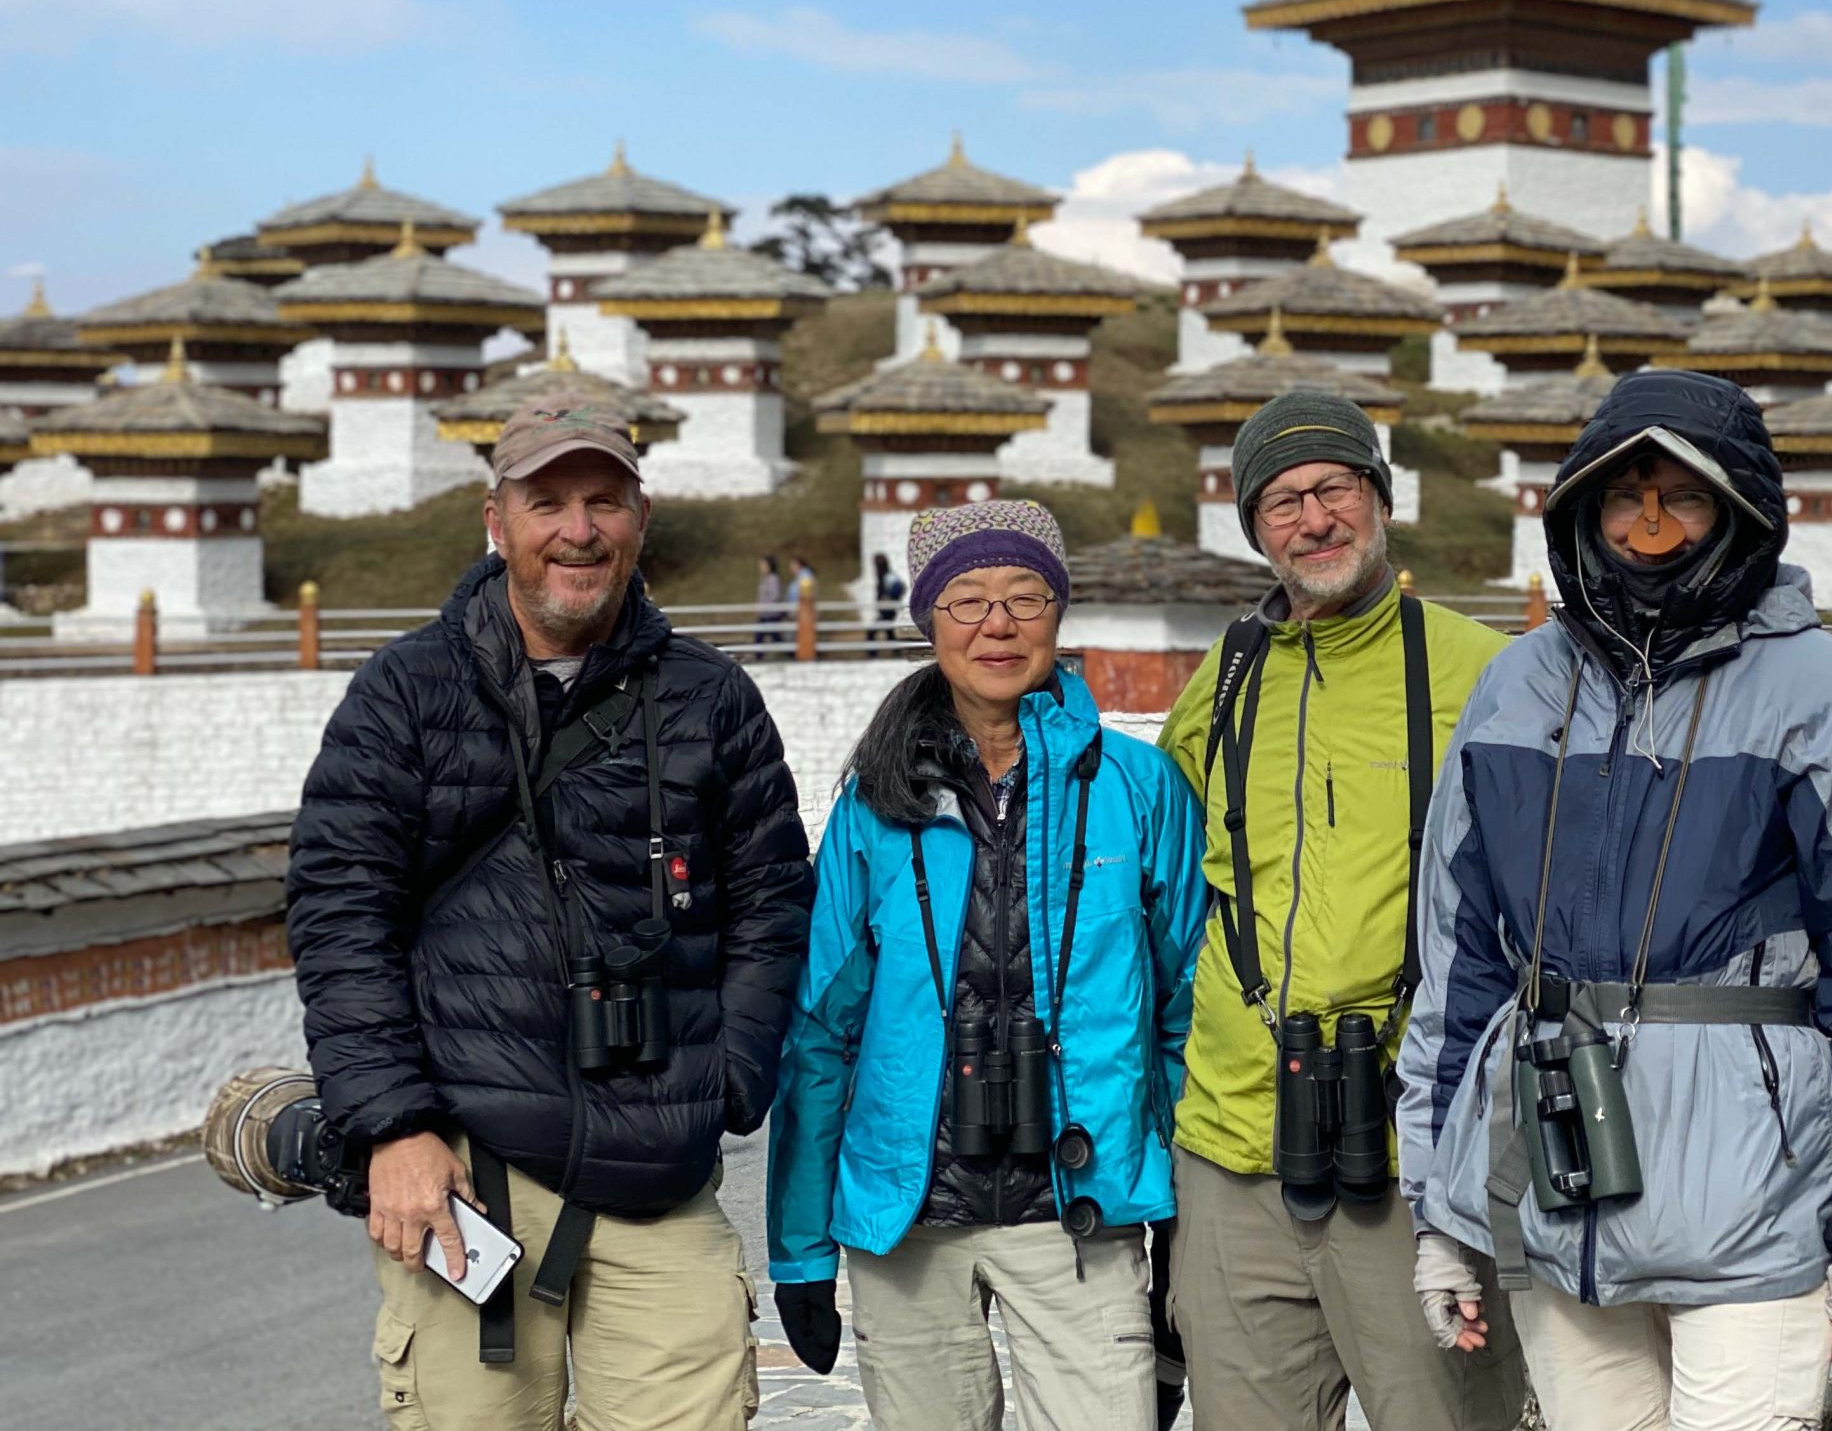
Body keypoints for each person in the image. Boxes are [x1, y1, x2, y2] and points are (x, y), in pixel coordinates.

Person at [1395, 370, 1832, 1431]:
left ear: (1736, 513)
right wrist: (1444, 1205)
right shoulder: (1516, 689)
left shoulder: (1813, 689)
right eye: (1622, 497)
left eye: (1681, 497)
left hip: (1750, 1188)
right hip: (1558, 1176)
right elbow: (1460, 962)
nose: (1648, 525)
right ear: (1580, 513)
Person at [286, 400, 815, 1430]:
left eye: (603, 501)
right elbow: (340, 914)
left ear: (640, 520)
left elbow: (772, 900)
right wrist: (394, 1128)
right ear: (496, 522)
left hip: (660, 1162)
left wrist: (729, 1078)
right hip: (467, 1174)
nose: (579, 529)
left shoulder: (710, 699)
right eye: (548, 503)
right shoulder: (405, 693)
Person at [765, 500, 1208, 1431]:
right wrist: (801, 1250)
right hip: (909, 1213)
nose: (997, 625)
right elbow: (820, 1036)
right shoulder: (877, 805)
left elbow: (1184, 1015)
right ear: (927, 620)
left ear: (1059, 615)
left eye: (1025, 597)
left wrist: (1180, 1218)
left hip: (1080, 1207)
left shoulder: (1138, 789)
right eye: (966, 600)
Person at [1155, 391, 1528, 1431]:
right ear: (1252, 526)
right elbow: (1163, 883)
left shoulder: (1484, 675)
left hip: (1414, 1151)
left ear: (1380, 496)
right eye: (1280, 502)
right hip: (1233, 1149)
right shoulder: (1222, 682)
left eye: (1332, 489)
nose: (1312, 521)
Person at [872, 549, 909, 646]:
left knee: (872, 632)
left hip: (888, 611)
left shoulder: (889, 576)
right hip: (885, 611)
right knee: (890, 634)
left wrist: (889, 597)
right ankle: (895, 653)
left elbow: (900, 587)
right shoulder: (883, 576)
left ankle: (872, 656)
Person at [754, 552, 786, 649]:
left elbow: (775, 596)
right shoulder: (764, 578)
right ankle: (789, 653)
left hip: (771, 614)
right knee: (766, 636)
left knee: (763, 636)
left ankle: (790, 653)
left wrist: (763, 606)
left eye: (763, 564)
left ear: (769, 565)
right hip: (765, 614)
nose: (761, 567)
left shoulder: (773, 579)